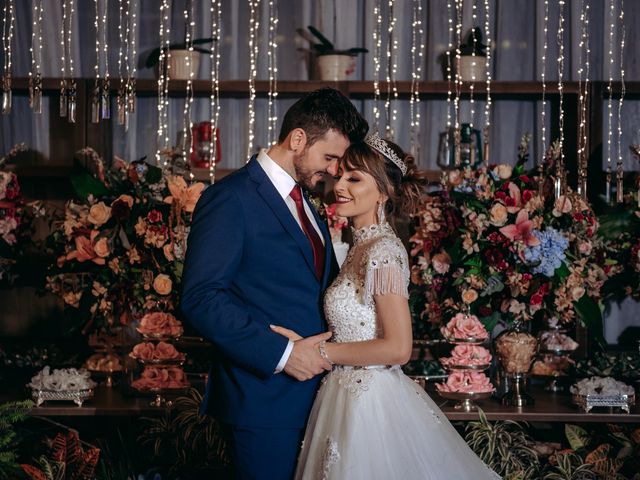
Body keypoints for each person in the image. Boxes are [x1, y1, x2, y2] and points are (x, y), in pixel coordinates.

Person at [271, 134, 501, 479]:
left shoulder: (383, 252)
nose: (339, 187)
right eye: (341, 176)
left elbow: (398, 347)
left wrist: (320, 351)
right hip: (342, 396)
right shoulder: (358, 249)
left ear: (383, 191)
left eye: (354, 178)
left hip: (370, 404)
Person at [180, 87, 369, 479]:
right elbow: (201, 298)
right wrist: (284, 355)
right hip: (262, 398)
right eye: (330, 157)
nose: (335, 171)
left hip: (318, 398)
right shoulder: (230, 198)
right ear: (297, 139)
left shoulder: (305, 202)